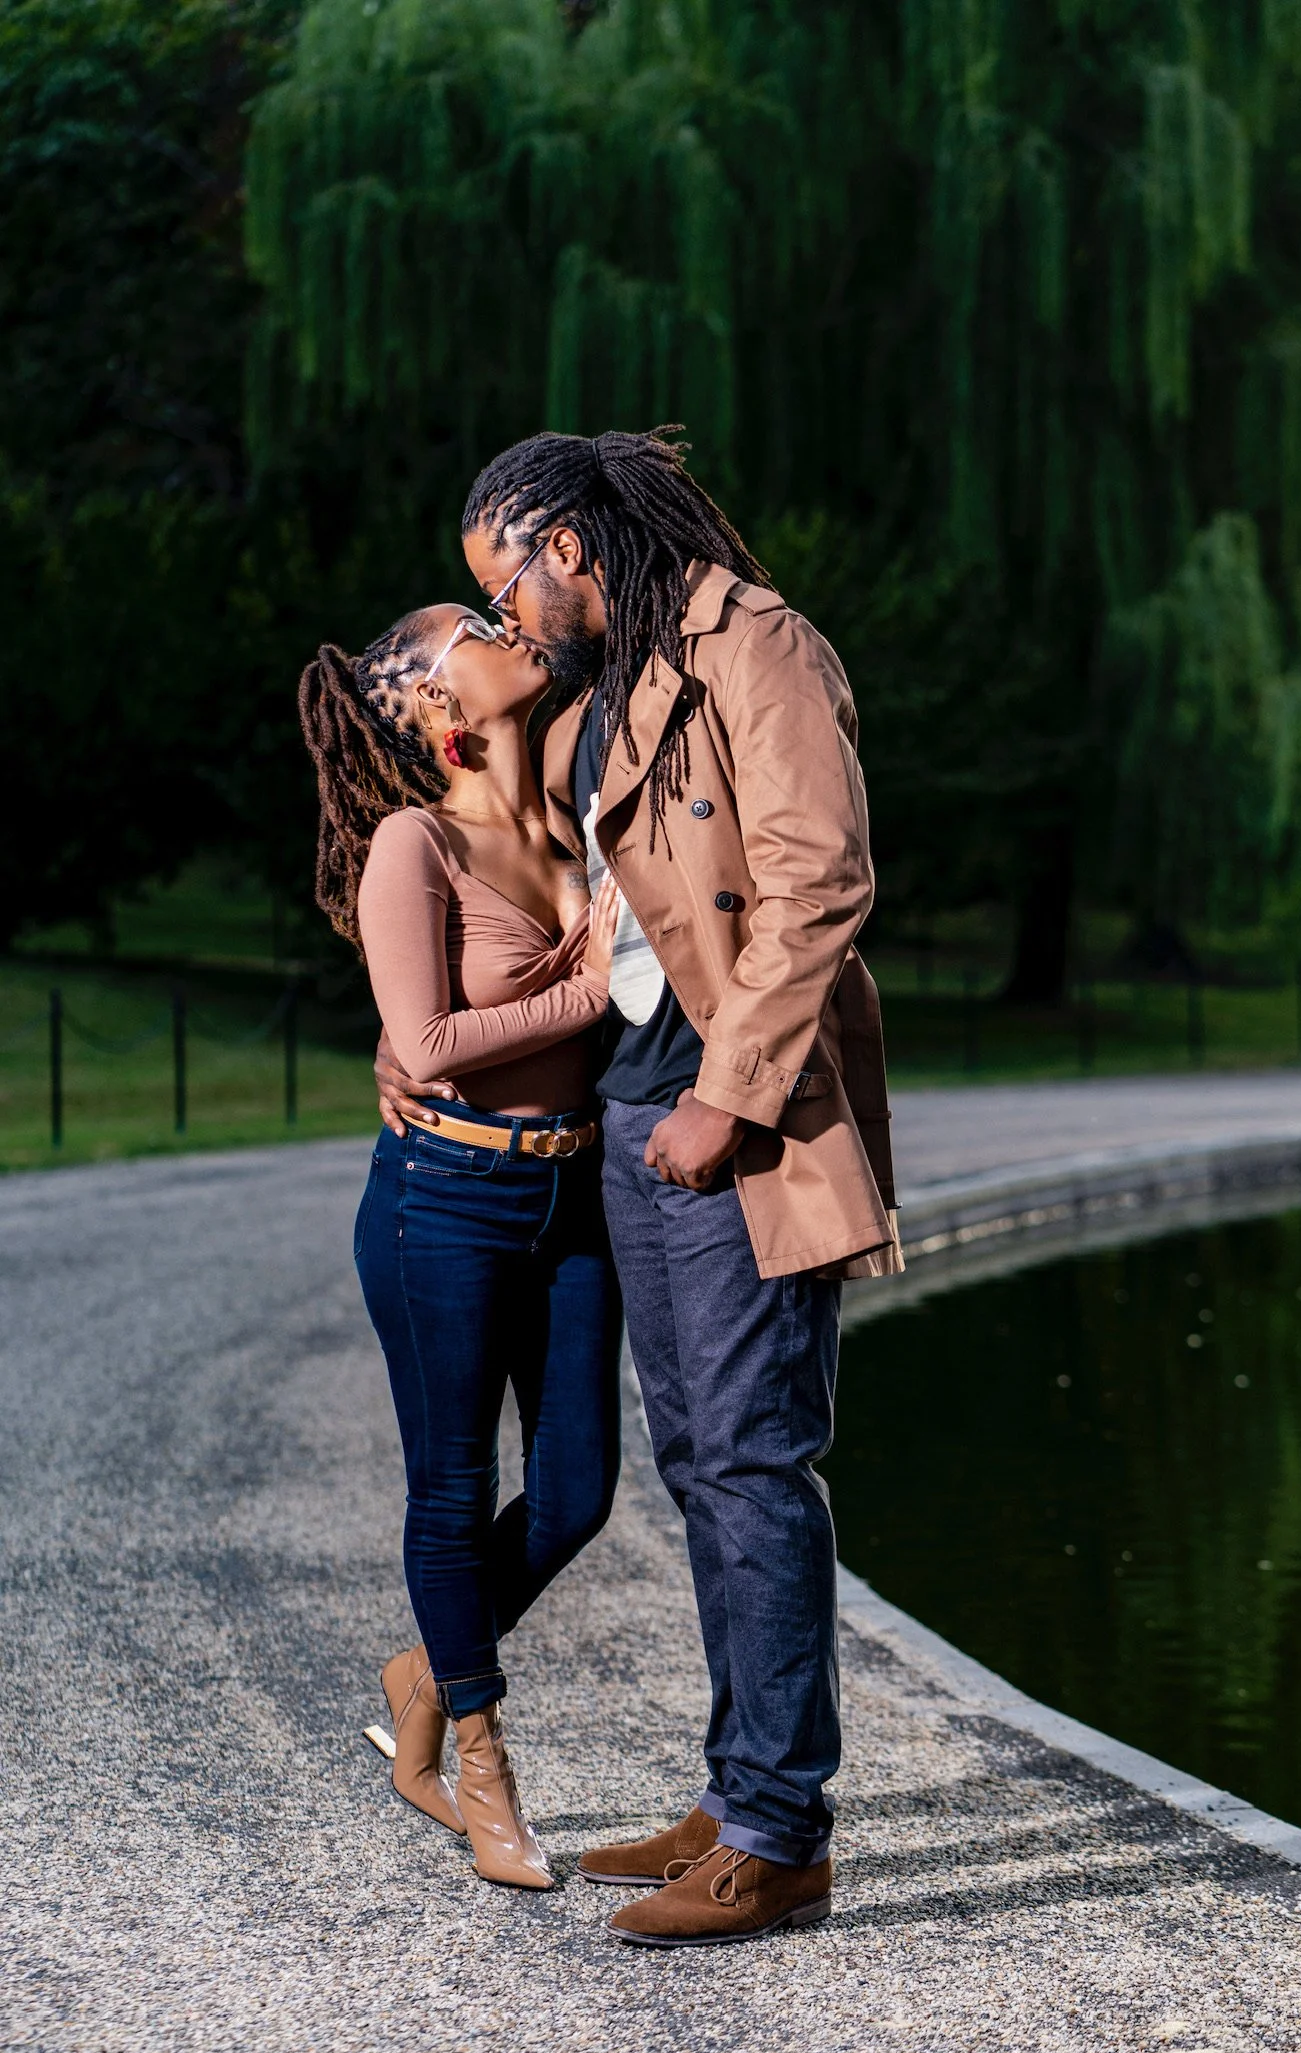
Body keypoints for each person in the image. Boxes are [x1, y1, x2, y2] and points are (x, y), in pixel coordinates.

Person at [379, 429, 902, 1946]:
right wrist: (414, 1036)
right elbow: (565, 910)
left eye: (507, 587)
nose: (508, 618)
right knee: (699, 1466)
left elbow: (819, 878)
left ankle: (779, 1834)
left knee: (752, 1462)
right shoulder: (607, 692)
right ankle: (739, 1797)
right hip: (631, 1128)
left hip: (734, 1128)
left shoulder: (757, 646)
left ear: (570, 544)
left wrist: (726, 1095)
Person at [298, 602, 623, 1891]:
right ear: (439, 707)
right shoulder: (413, 843)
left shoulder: (581, 819)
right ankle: (475, 1768)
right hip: (442, 1198)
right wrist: (590, 986)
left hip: (574, 1196)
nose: (510, 625)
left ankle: (427, 1670)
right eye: (478, 628)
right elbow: (426, 1047)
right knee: (451, 1488)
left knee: (578, 1492)